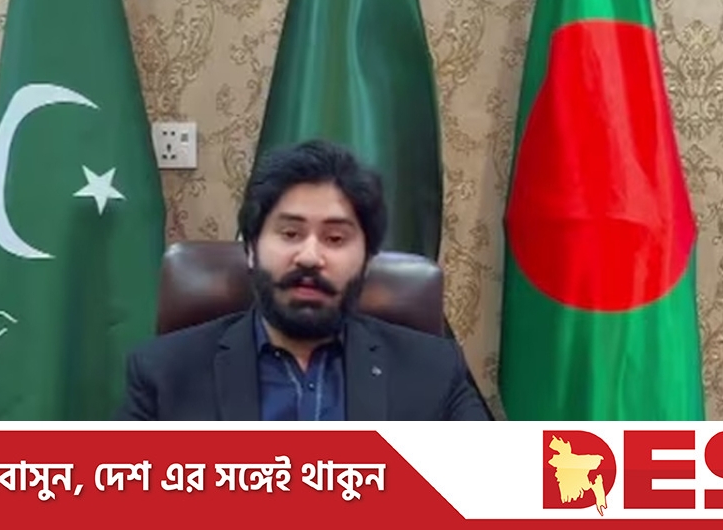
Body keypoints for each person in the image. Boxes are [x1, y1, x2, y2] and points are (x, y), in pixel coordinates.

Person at [117, 139, 489, 420]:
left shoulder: (433, 371)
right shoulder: (164, 374)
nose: (310, 256)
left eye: (335, 238)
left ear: (366, 261)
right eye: (290, 233)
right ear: (251, 250)